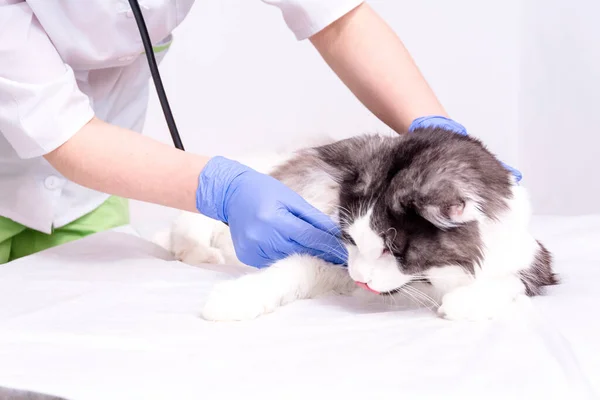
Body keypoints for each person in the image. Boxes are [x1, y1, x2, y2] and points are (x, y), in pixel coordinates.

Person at [0, 1, 520, 266]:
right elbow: (64, 133)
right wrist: (223, 188)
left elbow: (337, 17)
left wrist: (438, 133)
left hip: (93, 190)